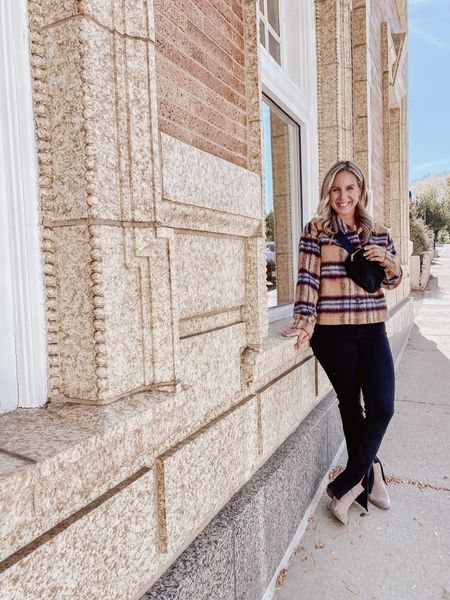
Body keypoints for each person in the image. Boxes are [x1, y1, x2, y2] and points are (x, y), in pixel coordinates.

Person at [282, 160, 403, 526]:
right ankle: (373, 475)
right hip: (332, 332)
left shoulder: (378, 232)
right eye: (336, 189)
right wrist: (304, 322)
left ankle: (348, 483)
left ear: (361, 191)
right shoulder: (315, 231)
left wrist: (385, 258)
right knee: (351, 405)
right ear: (328, 192)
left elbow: (394, 279)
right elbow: (307, 279)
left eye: (350, 188)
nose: (342, 196)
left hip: (372, 328)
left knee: (382, 406)